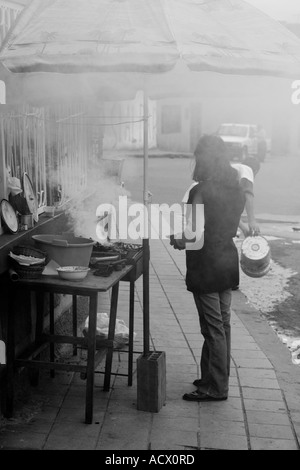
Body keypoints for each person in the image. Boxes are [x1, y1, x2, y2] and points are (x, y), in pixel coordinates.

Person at [170, 135, 245, 402]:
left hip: (206, 265)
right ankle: (211, 378)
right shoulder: (237, 188)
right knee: (222, 326)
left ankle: (216, 388)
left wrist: (177, 239)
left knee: (213, 328)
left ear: (204, 158)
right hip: (226, 261)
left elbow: (193, 235)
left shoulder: (200, 190)